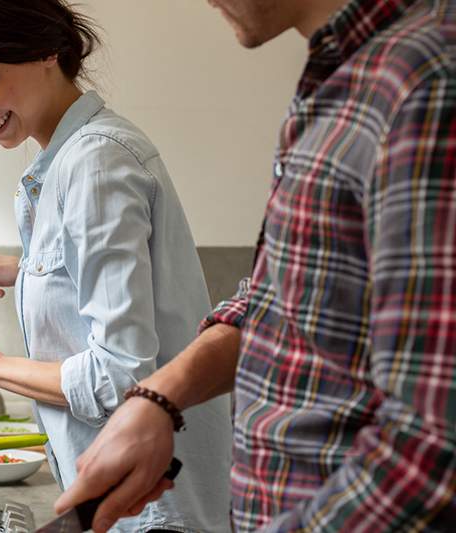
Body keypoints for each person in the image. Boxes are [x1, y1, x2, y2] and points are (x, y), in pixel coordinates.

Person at [56, 0, 456, 531]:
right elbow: (277, 301)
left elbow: (432, 448)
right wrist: (157, 399)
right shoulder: (348, 76)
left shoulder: (428, 78)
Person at [0, 1, 233, 531]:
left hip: (151, 511)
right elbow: (117, 286)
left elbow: (120, 375)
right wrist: (27, 271)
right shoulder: (71, 161)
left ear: (45, 51)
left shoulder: (96, 162)